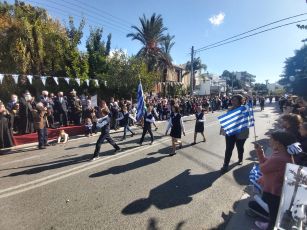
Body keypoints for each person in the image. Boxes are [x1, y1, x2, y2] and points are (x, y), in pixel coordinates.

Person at [248, 131, 296, 230]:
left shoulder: (279, 157)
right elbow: (268, 164)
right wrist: (260, 151)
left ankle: (270, 226)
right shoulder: (282, 153)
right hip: (276, 189)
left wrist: (260, 154)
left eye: (271, 139)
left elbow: (262, 168)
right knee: (273, 212)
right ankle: (269, 222)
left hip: (274, 192)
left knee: (274, 218)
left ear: (278, 143)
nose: (269, 140)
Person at [220, 95, 249, 173]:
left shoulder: (244, 109)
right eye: (232, 100)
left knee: (240, 147)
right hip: (231, 132)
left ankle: (240, 159)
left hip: (241, 131)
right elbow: (227, 120)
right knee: (229, 148)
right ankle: (225, 165)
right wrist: (223, 128)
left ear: (240, 101)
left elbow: (246, 118)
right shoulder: (230, 109)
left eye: (235, 100)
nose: (233, 101)